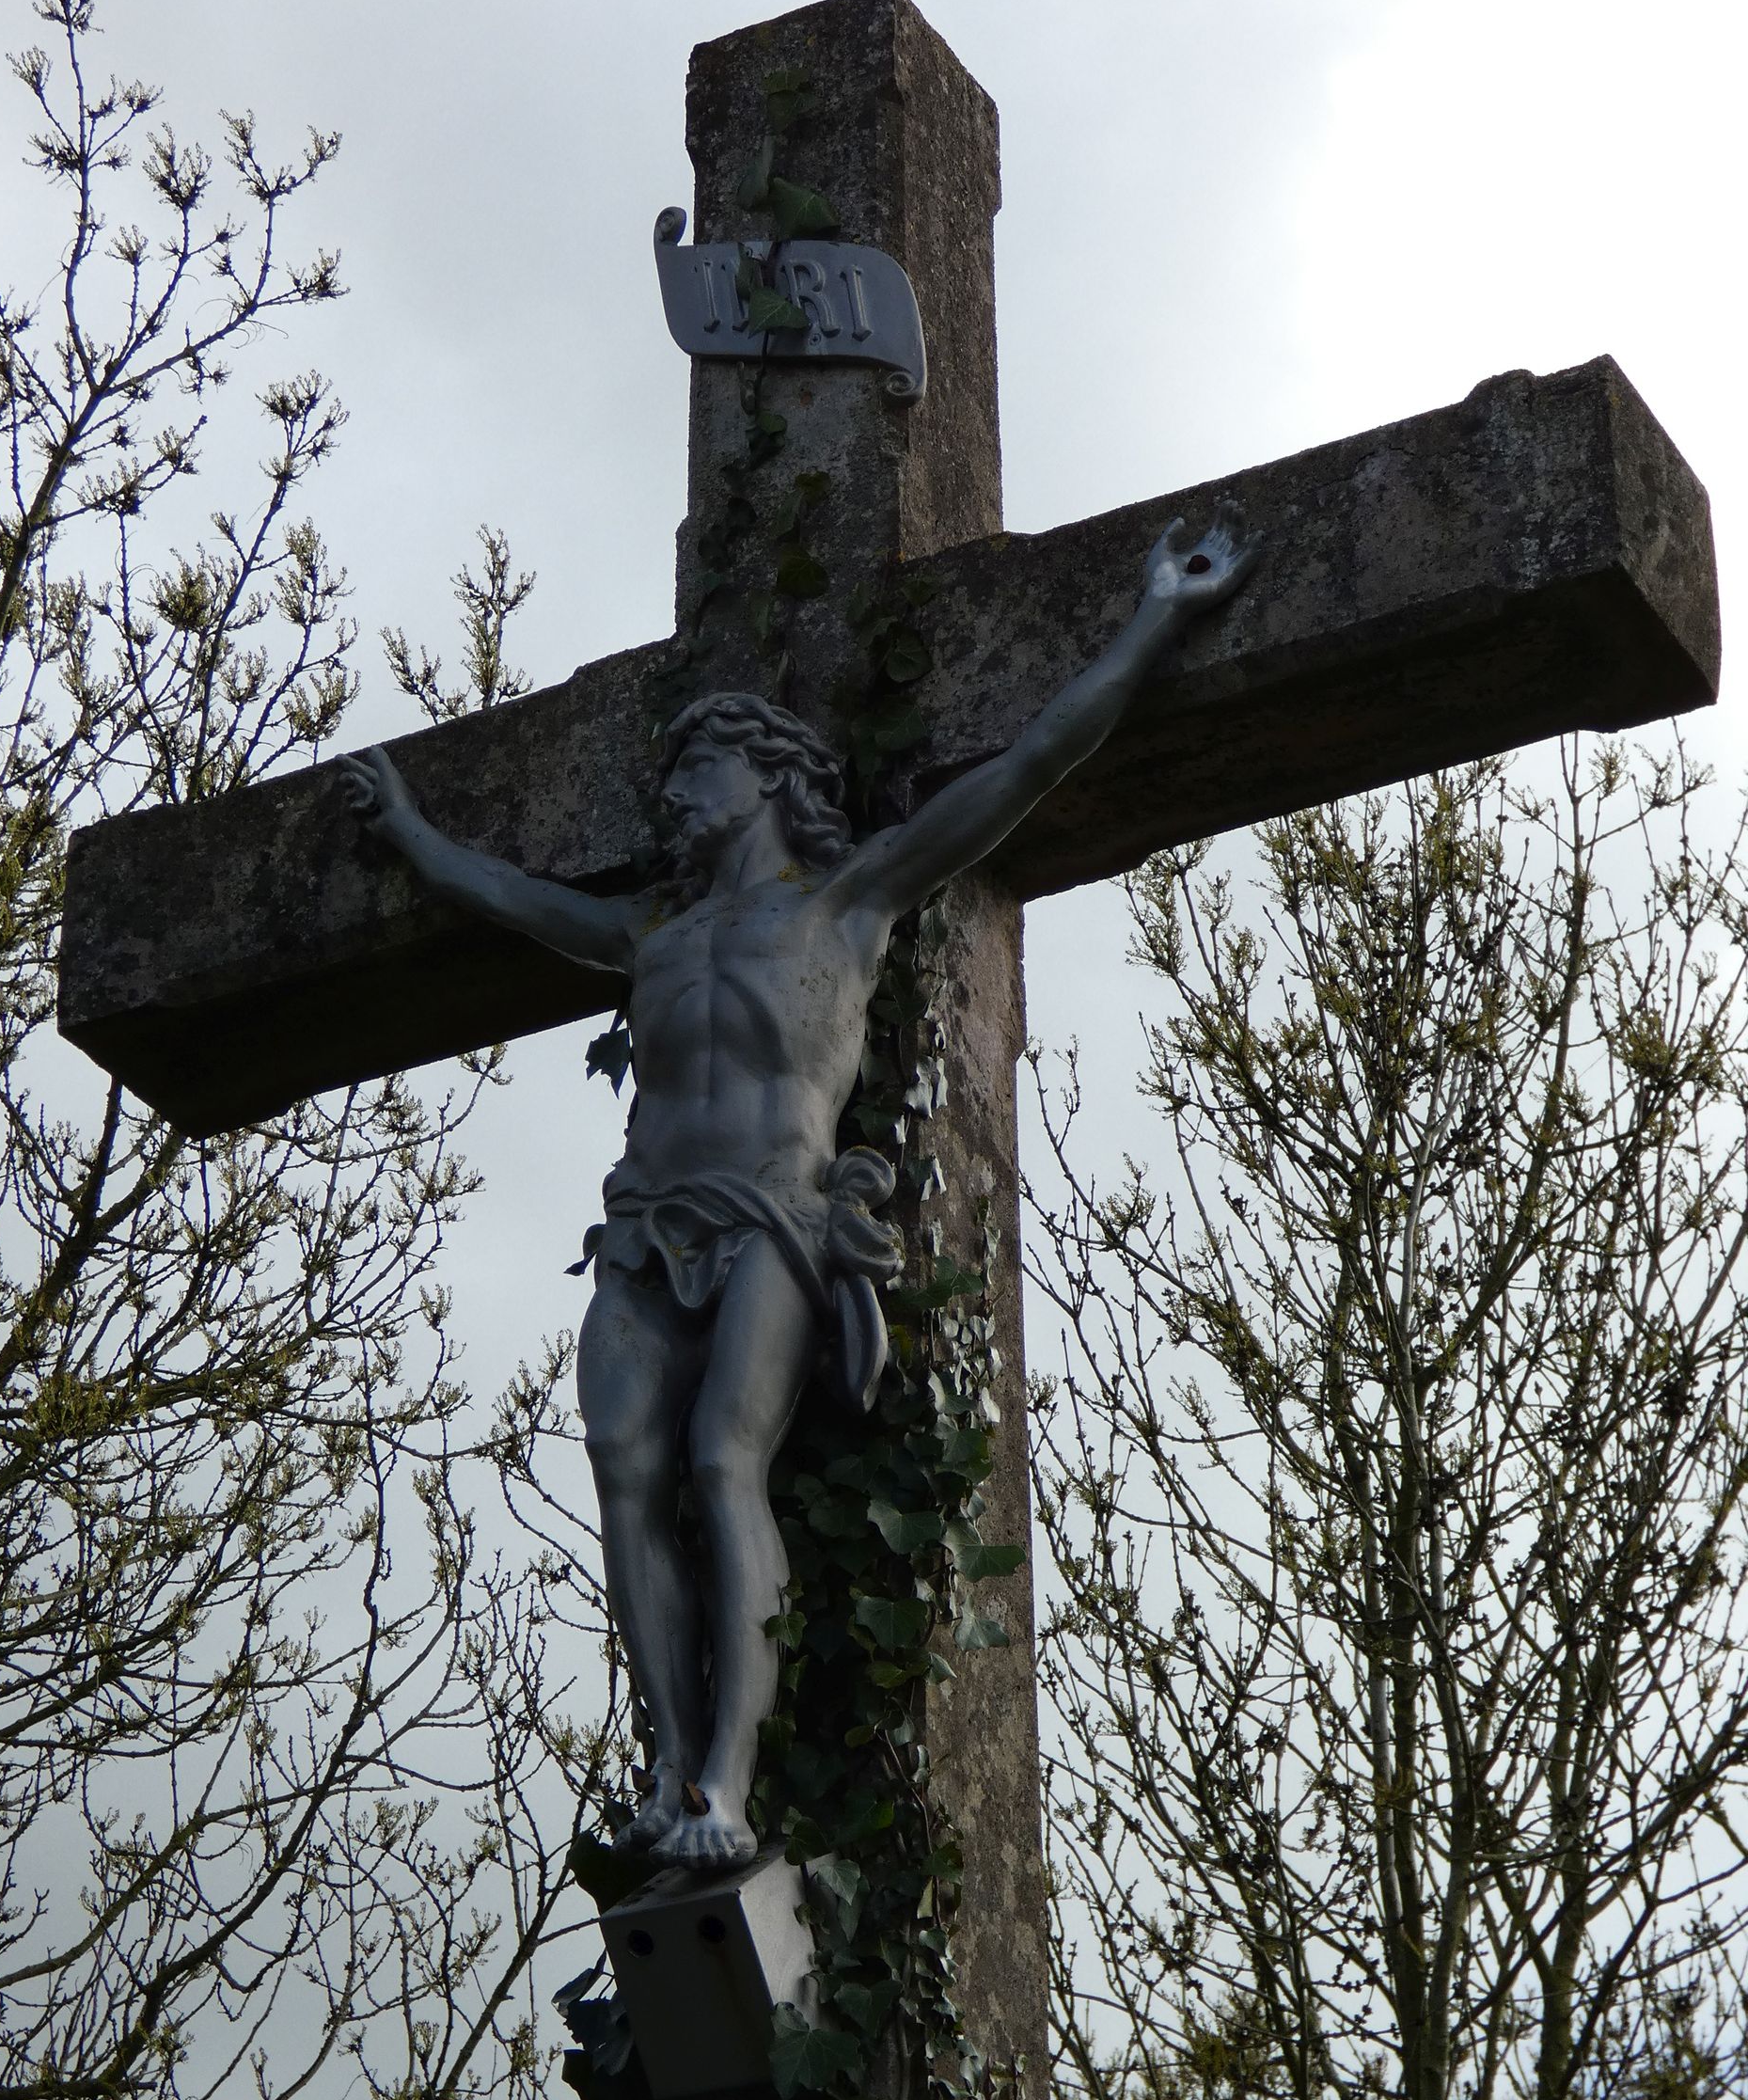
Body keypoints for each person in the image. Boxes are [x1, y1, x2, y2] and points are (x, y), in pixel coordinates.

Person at [339, 518, 1255, 1869]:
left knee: (723, 1461)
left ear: (764, 777)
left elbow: (1037, 757)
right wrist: (412, 834)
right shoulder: (646, 936)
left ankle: (725, 1781)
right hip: (648, 1226)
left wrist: (1155, 619)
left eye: (694, 771)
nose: (674, 799)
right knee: (621, 1468)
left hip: (775, 1214)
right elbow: (508, 897)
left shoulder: (850, 905)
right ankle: (666, 1765)